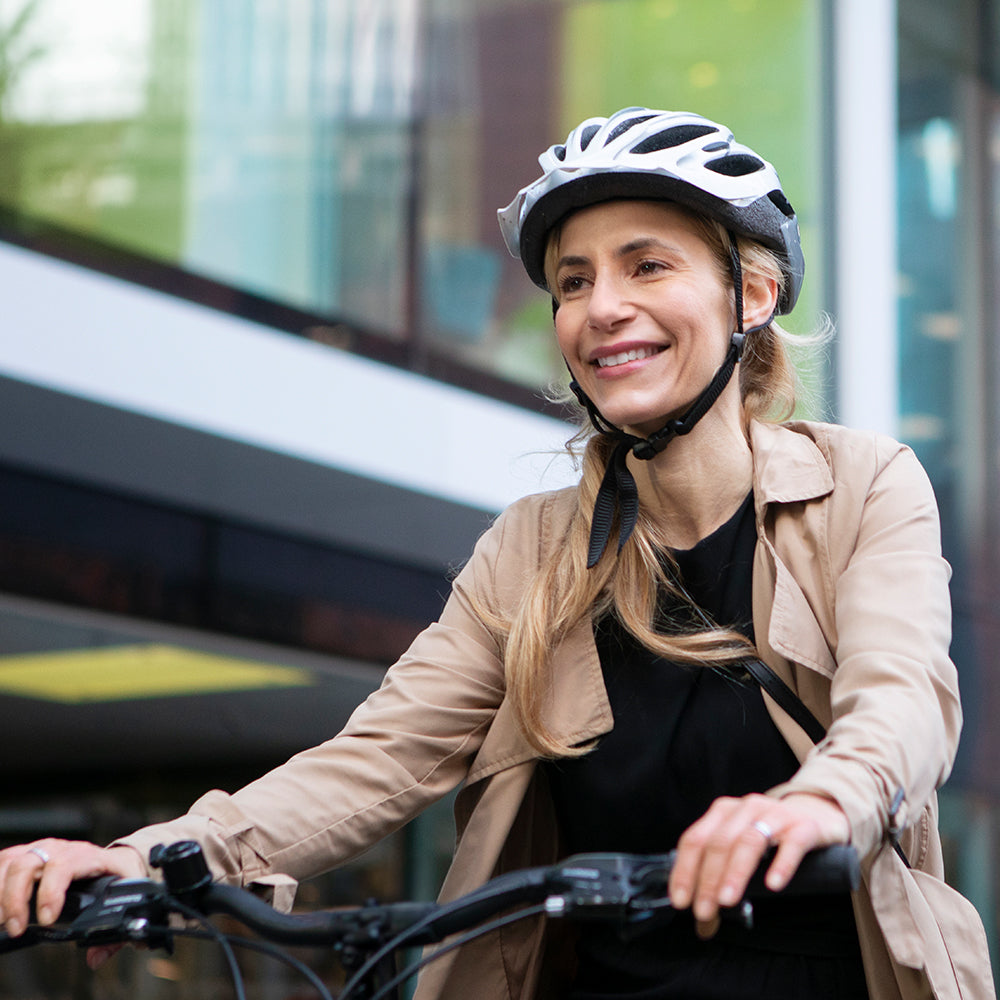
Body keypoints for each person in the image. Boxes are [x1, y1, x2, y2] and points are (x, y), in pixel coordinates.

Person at [0, 108, 992, 999]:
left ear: (752, 294)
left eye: (647, 265)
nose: (600, 307)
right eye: (573, 281)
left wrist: (820, 802)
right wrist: (157, 856)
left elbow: (901, 701)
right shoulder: (533, 546)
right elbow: (379, 756)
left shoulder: (863, 484)